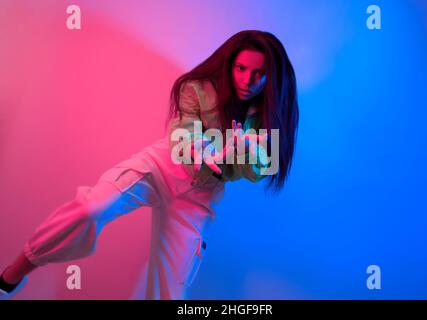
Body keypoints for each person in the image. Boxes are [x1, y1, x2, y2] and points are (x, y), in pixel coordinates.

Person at [0, 30, 299, 300]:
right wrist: (211, 152)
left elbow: (257, 171)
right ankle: (12, 275)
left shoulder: (265, 118)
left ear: (271, 77)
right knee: (91, 208)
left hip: (199, 197)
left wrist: (248, 146)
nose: (247, 80)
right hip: (160, 168)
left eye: (259, 73)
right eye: (241, 68)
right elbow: (182, 138)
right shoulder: (197, 88)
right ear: (230, 63)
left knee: (170, 291)